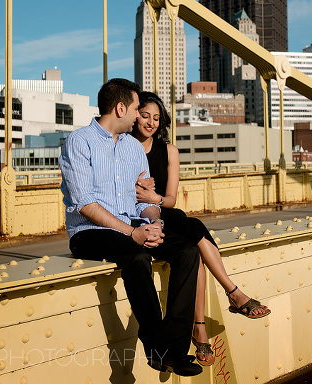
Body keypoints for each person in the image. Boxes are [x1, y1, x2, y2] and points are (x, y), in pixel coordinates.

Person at [59, 78, 203, 377]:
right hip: (89, 233)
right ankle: (156, 348)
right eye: (137, 109)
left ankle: (175, 351)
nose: (139, 116)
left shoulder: (133, 149)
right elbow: (85, 204)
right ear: (121, 107)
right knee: (136, 257)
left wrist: (155, 222)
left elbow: (141, 202)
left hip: (132, 227)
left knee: (188, 251)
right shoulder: (79, 141)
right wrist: (133, 232)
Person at [131, 91, 270, 367]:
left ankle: (209, 317)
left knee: (190, 228)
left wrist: (153, 198)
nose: (151, 122)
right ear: (134, 116)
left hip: (165, 211)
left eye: (157, 118)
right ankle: (225, 302)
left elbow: (170, 198)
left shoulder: (169, 151)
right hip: (141, 218)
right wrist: (145, 201)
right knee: (193, 241)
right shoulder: (123, 149)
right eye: (145, 115)